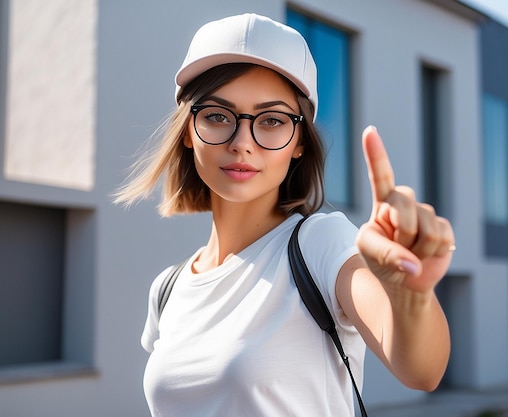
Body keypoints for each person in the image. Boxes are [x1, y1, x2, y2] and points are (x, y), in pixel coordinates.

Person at [115, 13, 455, 417]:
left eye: (273, 120)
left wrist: (409, 295)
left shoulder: (321, 243)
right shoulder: (167, 289)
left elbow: (421, 371)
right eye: (218, 116)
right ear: (188, 130)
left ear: (298, 142)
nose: (243, 143)